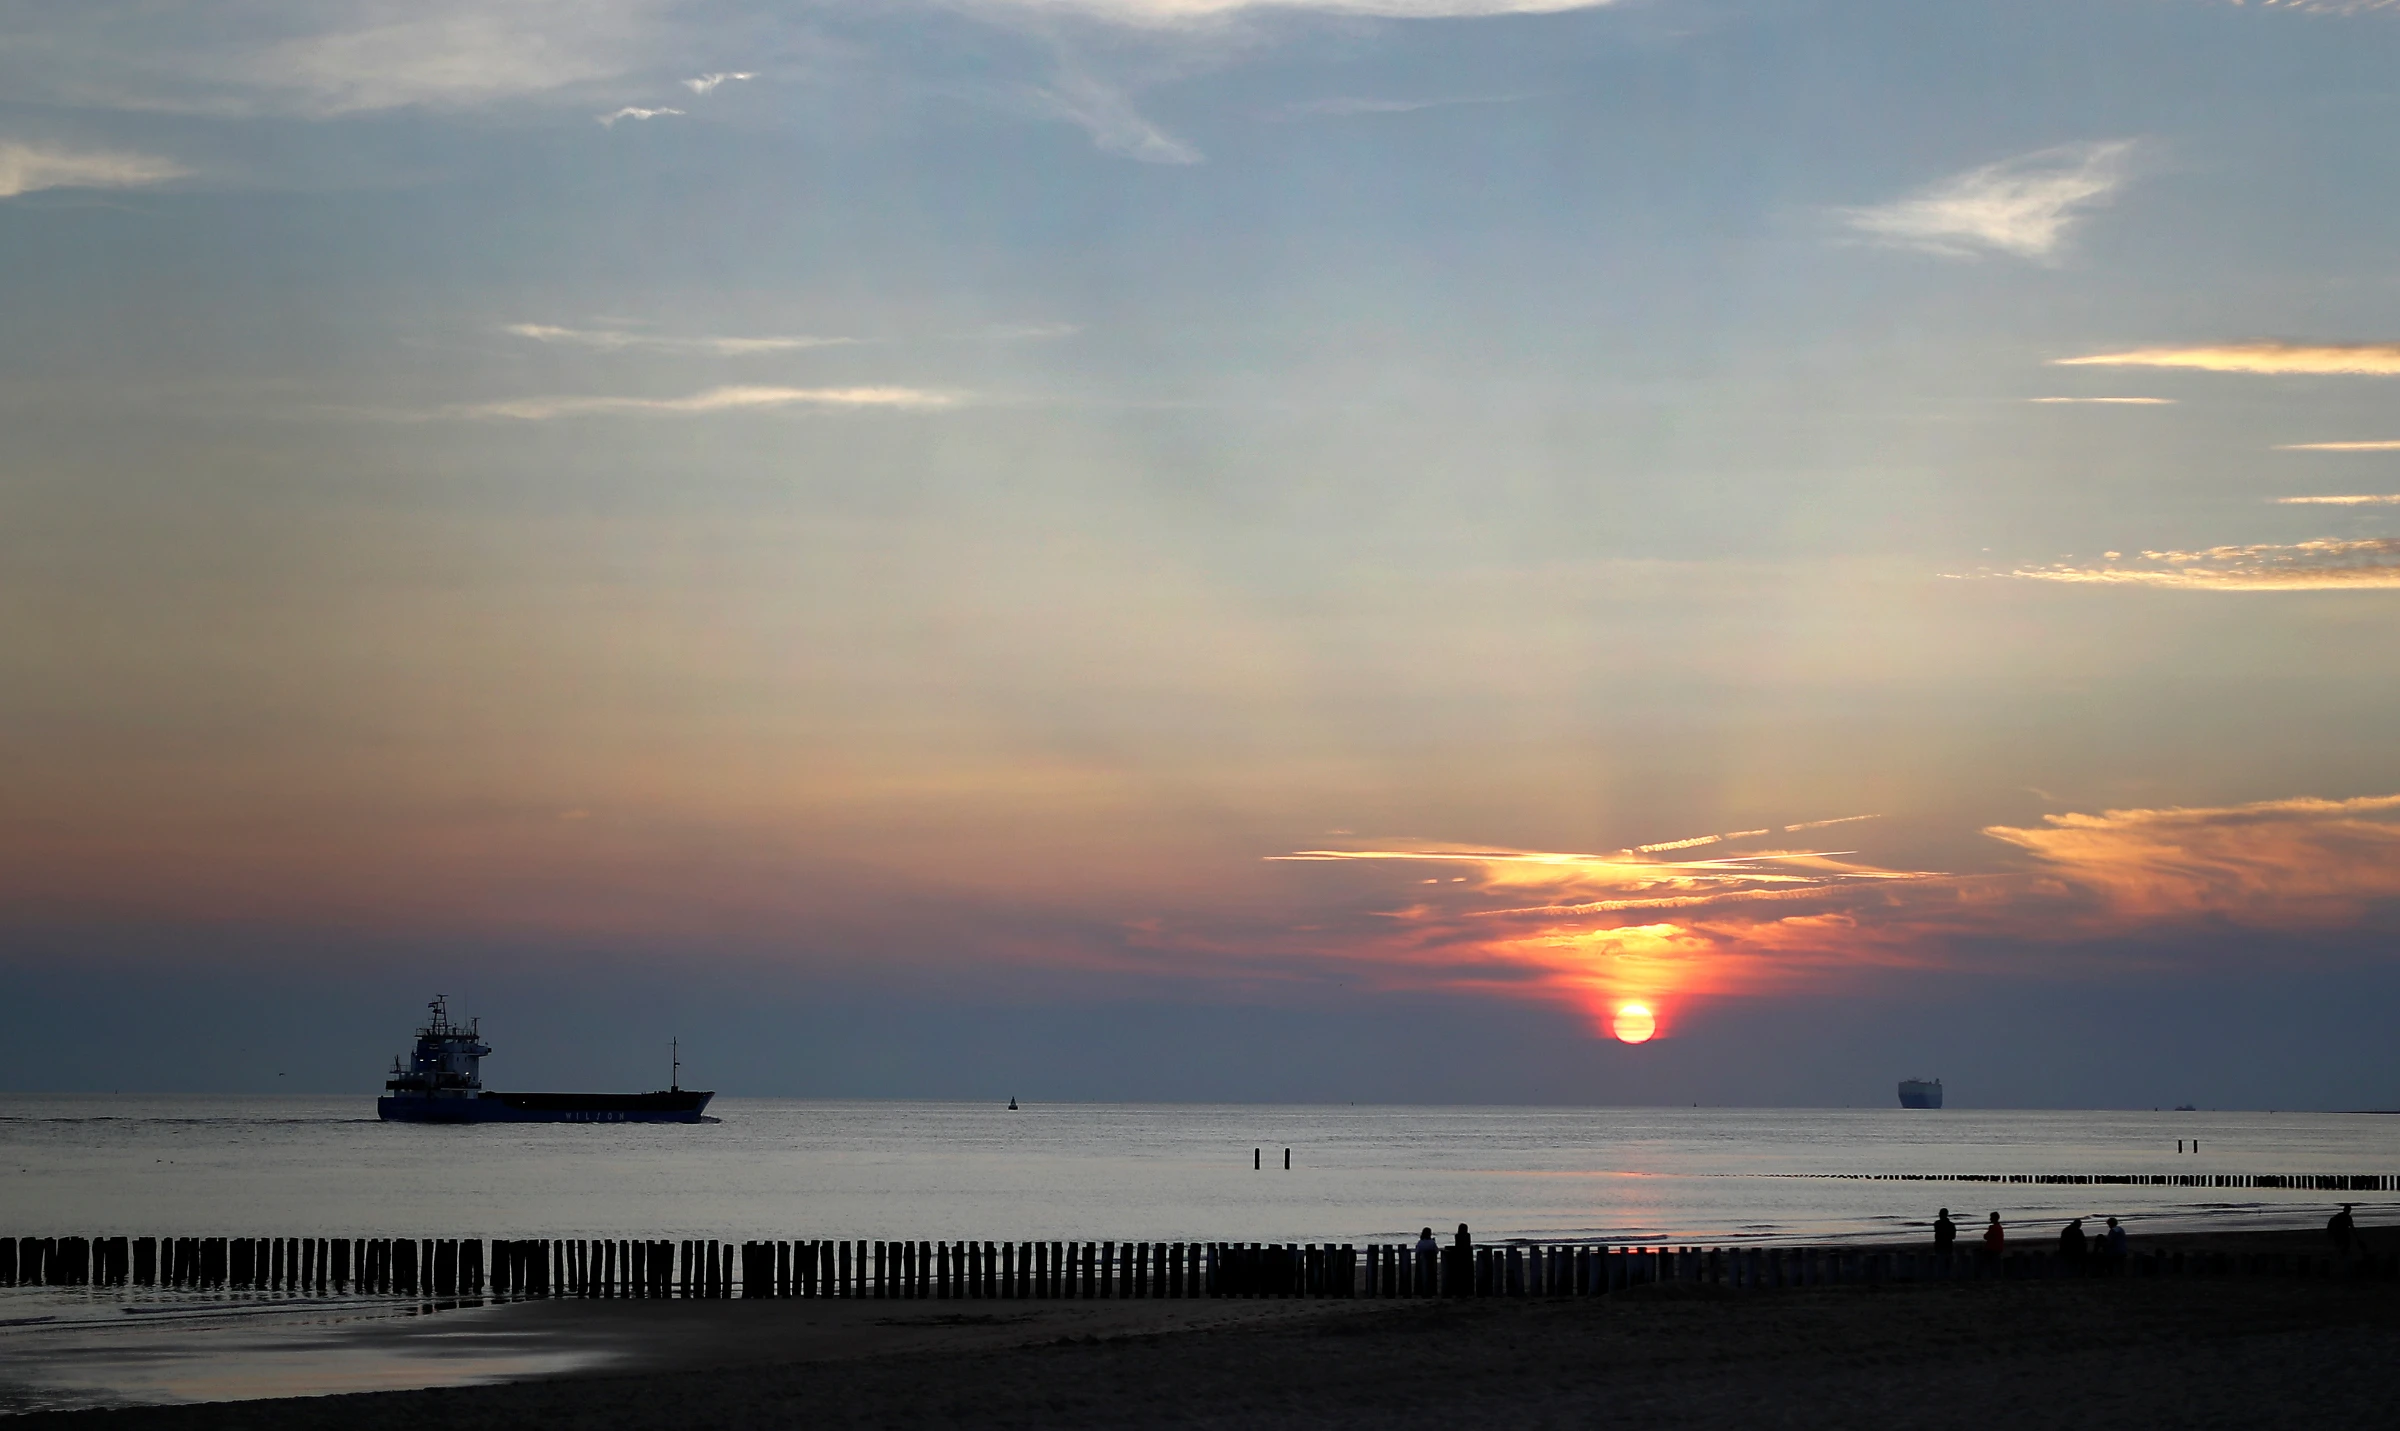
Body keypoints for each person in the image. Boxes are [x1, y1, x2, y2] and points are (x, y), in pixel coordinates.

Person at [1446, 1223, 1474, 1297]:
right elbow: (1468, 1244)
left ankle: (1459, 1291)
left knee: (1459, 1274)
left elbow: (1458, 1245)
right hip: (1466, 1256)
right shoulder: (1467, 1235)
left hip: (1458, 1256)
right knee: (1466, 1275)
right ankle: (1467, 1291)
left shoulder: (1457, 1236)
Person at [1414, 1227, 1439, 1294]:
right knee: (1432, 1278)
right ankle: (1433, 1291)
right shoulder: (1432, 1242)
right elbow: (1436, 1251)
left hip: (1422, 1262)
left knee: (1423, 1277)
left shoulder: (1420, 1242)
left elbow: (1417, 1252)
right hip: (1432, 1262)